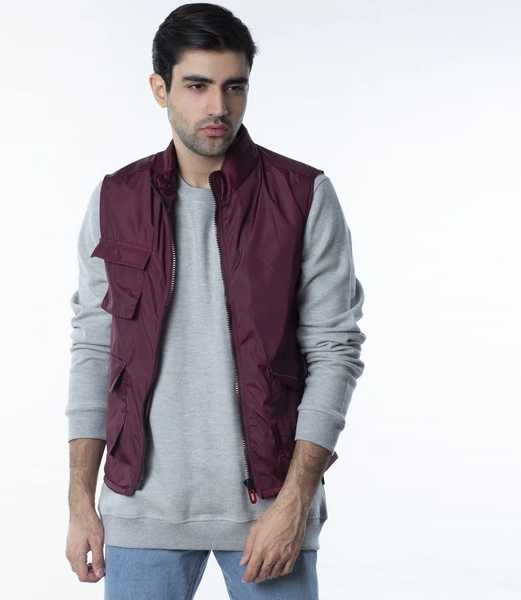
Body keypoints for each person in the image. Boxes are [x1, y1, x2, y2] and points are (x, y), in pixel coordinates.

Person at [65, 3, 366, 599]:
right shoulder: (116, 198)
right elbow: (94, 348)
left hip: (268, 512)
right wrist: (80, 500)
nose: (218, 107)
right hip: (139, 508)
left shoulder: (303, 195)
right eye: (197, 86)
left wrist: (295, 504)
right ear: (160, 89)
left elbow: (335, 351)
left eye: (235, 87)